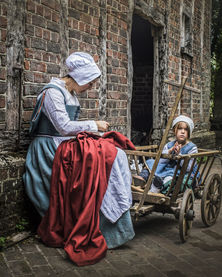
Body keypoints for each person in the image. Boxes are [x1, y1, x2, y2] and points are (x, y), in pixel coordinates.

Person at [23, 52, 135, 265]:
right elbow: (63, 127)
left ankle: (106, 218)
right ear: (80, 77)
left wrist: (94, 132)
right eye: (90, 83)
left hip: (63, 144)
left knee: (111, 152)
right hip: (48, 147)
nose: (91, 88)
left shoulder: (70, 93)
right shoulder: (52, 94)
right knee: (93, 162)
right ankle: (73, 221)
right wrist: (93, 125)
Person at [133, 115, 199, 193]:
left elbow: (188, 168)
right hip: (166, 168)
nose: (183, 132)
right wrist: (169, 152)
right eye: (180, 129)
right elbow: (161, 162)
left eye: (186, 129)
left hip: (179, 172)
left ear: (189, 133)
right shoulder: (169, 145)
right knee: (151, 163)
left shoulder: (192, 148)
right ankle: (142, 178)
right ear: (175, 130)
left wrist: (179, 155)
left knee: (169, 179)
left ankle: (157, 187)